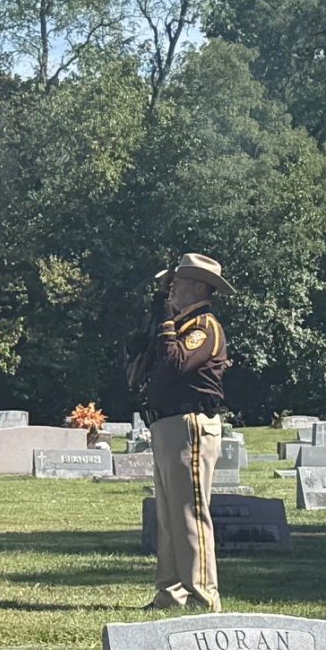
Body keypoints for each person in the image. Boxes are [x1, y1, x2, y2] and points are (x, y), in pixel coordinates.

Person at [132, 253, 230, 613]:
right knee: (170, 515)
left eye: (179, 283)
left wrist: (164, 318)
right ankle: (171, 592)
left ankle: (202, 594)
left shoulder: (203, 326)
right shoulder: (178, 324)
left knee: (189, 512)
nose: (171, 289)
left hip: (190, 424)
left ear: (200, 288)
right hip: (167, 423)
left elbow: (175, 364)